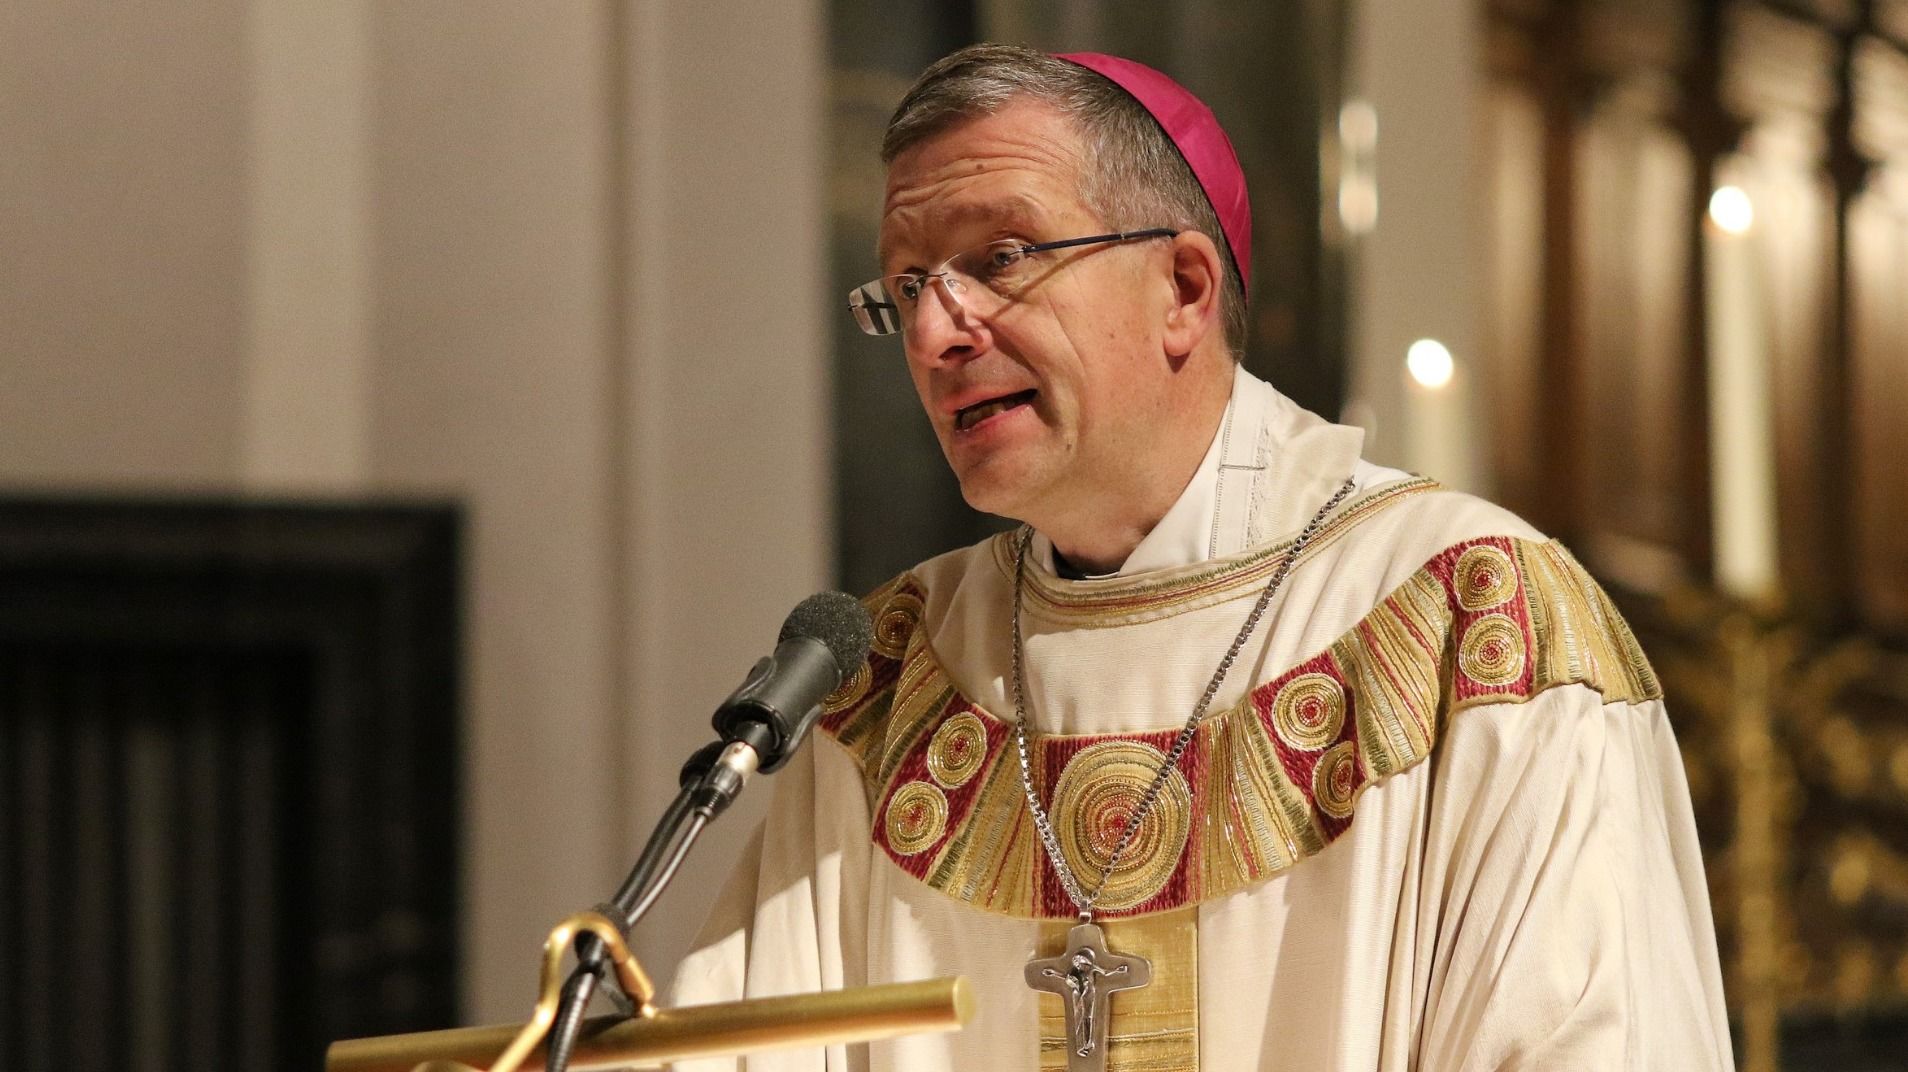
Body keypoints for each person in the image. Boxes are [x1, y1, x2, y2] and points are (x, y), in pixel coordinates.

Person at [667, 43, 1733, 1071]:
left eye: (999, 259)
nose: (938, 331)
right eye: (905, 288)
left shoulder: (1475, 621)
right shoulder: (896, 677)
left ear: (1182, 286)